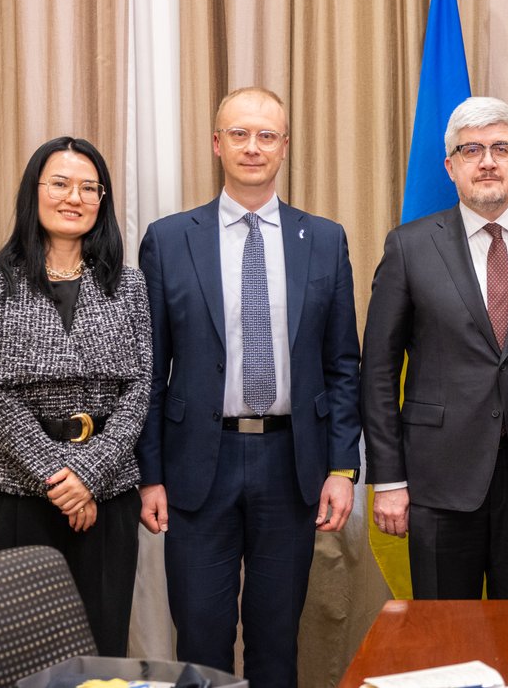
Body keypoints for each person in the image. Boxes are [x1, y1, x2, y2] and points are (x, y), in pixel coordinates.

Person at [137, 86, 361, 686]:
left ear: (285, 146)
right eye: (239, 134)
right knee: (200, 641)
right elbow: (148, 371)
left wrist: (342, 468)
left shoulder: (326, 240)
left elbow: (343, 365)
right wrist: (149, 475)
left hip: (291, 466)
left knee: (276, 642)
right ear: (217, 144)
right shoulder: (169, 240)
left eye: (266, 135)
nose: (253, 147)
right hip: (196, 469)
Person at [362, 96, 508, 599]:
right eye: (471, 150)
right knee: (445, 632)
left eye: (501, 148)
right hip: (438, 479)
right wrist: (389, 479)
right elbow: (378, 371)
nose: (487, 161)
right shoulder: (408, 246)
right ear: (451, 167)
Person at [0, 136, 150, 656]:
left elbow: (139, 391)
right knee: (18, 655)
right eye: (61, 184)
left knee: (100, 654)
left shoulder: (129, 286)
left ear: (102, 200)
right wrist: (59, 479)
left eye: (90, 188)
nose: (75, 197)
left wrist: (88, 476)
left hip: (108, 494)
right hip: (18, 494)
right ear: (34, 191)